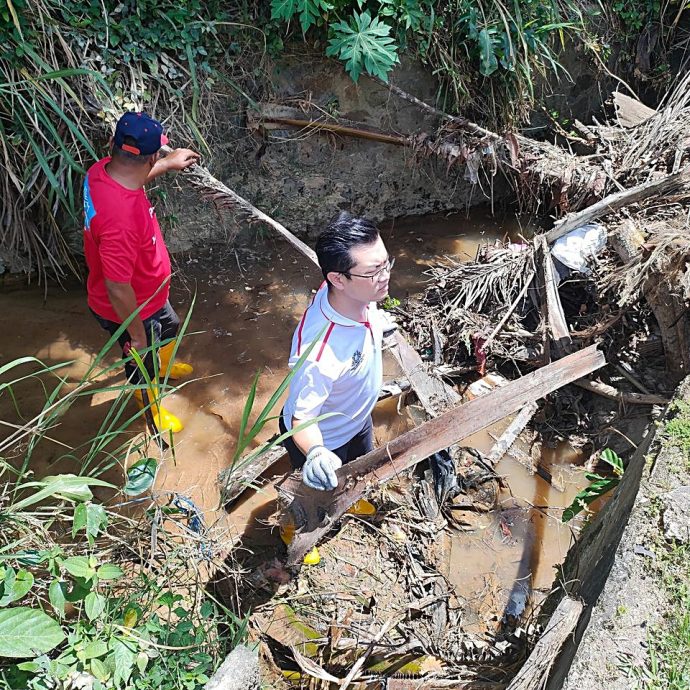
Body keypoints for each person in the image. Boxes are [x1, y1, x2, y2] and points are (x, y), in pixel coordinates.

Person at [83, 111, 199, 434]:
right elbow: (117, 287)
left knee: (171, 326)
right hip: (130, 308)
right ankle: (151, 412)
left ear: (112, 145)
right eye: (158, 155)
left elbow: (132, 177)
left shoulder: (99, 173)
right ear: (150, 156)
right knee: (141, 362)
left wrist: (169, 163)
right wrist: (135, 334)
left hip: (150, 294)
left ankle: (161, 367)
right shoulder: (119, 222)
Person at [280, 211, 395, 492]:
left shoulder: (355, 294)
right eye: (373, 272)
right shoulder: (319, 354)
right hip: (328, 439)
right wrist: (316, 452)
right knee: (322, 493)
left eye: (386, 264)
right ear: (338, 279)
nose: (385, 277)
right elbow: (302, 419)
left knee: (360, 471)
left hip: (357, 417)